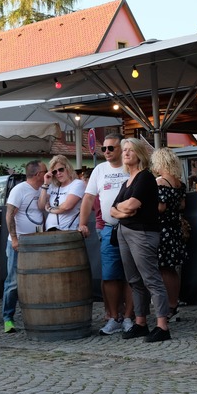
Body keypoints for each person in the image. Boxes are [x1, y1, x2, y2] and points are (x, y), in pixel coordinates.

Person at [111, 138, 171, 342]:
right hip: (125, 231)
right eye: (124, 150)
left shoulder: (145, 177)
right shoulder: (126, 181)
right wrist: (124, 212)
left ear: (140, 154)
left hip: (143, 232)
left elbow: (132, 204)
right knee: (134, 280)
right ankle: (141, 323)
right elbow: (114, 209)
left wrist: (124, 209)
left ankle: (162, 326)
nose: (126, 153)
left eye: (130, 150)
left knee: (151, 278)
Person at [78, 133, 135, 335]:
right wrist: (82, 223)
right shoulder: (99, 170)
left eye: (111, 148)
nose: (107, 152)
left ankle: (129, 317)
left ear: (122, 149)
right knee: (110, 275)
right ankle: (113, 317)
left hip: (132, 227)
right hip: (109, 228)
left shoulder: (132, 167)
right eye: (104, 149)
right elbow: (88, 198)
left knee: (131, 275)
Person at [2, 160, 45, 333]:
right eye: (45, 171)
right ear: (37, 174)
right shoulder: (19, 190)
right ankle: (8, 318)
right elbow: (9, 215)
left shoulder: (42, 189)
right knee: (13, 281)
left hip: (37, 241)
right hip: (19, 242)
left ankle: (35, 314)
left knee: (36, 280)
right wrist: (14, 239)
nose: (47, 173)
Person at [151, 148, 188, 319]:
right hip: (174, 228)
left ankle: (169, 305)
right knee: (171, 269)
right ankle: (174, 302)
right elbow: (181, 206)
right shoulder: (179, 183)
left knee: (163, 268)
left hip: (163, 228)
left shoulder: (160, 181)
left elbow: (160, 207)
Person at [38, 154, 84, 231]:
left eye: (61, 169)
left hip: (68, 230)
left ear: (68, 168)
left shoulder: (77, 183)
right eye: (55, 172)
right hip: (50, 230)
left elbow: (67, 207)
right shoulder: (53, 186)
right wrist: (46, 184)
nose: (58, 173)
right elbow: (41, 206)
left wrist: (49, 209)